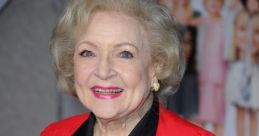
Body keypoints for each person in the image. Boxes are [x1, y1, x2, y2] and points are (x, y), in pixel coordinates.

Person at [40, 0, 214, 135]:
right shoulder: (54, 134)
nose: (103, 71)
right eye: (88, 53)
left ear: (157, 66)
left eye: (125, 54)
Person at [195, 0, 227, 136]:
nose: (213, 2)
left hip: (220, 77)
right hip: (202, 77)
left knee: (219, 118)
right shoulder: (200, 22)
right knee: (200, 117)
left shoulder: (226, 24)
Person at [225, 10, 259, 136]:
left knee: (254, 110)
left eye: (257, 32)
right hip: (240, 72)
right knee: (240, 108)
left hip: (254, 73)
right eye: (243, 29)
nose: (249, 36)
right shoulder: (235, 67)